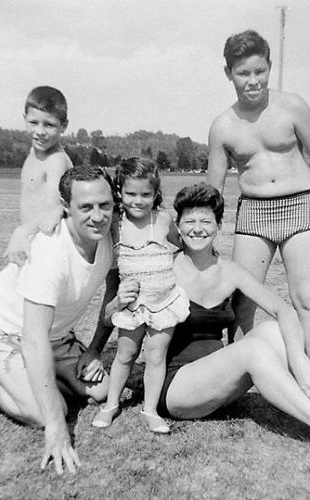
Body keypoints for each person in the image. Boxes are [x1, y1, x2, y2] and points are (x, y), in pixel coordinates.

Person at [97, 183, 310, 476]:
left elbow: (284, 310)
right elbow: (122, 316)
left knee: (270, 330)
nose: (197, 229)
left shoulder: (230, 270)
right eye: (189, 221)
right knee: (253, 349)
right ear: (177, 227)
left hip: (218, 382)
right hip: (177, 387)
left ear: (219, 225)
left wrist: (297, 358)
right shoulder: (167, 267)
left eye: (206, 220)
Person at [206, 30, 310, 389]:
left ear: (269, 67)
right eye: (243, 73)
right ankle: (240, 382)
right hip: (253, 215)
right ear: (228, 73)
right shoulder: (222, 127)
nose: (253, 81)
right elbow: (211, 192)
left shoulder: (291, 106)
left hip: (299, 209)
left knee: (306, 298)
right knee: (242, 302)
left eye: (260, 71)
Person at [0, 165, 115, 475]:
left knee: (103, 391)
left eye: (105, 205)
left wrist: (95, 349)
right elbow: (33, 340)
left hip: (54, 335)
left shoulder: (110, 237)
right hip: (3, 332)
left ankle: (30, 377)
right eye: (85, 207)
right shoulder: (51, 251)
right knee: (50, 412)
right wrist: (57, 429)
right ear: (66, 208)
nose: (98, 216)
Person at [92, 158, 189, 433]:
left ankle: (150, 410)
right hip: (132, 305)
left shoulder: (163, 220)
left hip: (163, 302)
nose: (138, 200)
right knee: (126, 354)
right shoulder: (116, 225)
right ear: (120, 192)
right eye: (130, 194)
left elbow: (182, 245)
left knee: (156, 355)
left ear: (156, 193)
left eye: (146, 194)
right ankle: (111, 404)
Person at [5, 86, 73, 266]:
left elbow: (53, 211)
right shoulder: (33, 153)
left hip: (48, 244)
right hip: (32, 240)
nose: (40, 131)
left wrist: (21, 231)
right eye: (33, 122)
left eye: (49, 125)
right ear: (24, 119)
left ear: (64, 126)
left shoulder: (56, 161)